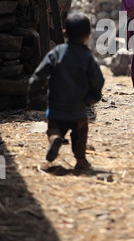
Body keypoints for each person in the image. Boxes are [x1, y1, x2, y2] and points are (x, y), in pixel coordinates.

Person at [28, 12, 104, 170]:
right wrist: (90, 99)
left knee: (53, 127)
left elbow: (37, 77)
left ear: (64, 33)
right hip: (78, 109)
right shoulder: (87, 57)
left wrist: (33, 97)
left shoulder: (56, 52)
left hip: (56, 107)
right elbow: (98, 81)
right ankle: (81, 160)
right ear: (88, 35)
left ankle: (55, 138)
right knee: (81, 131)